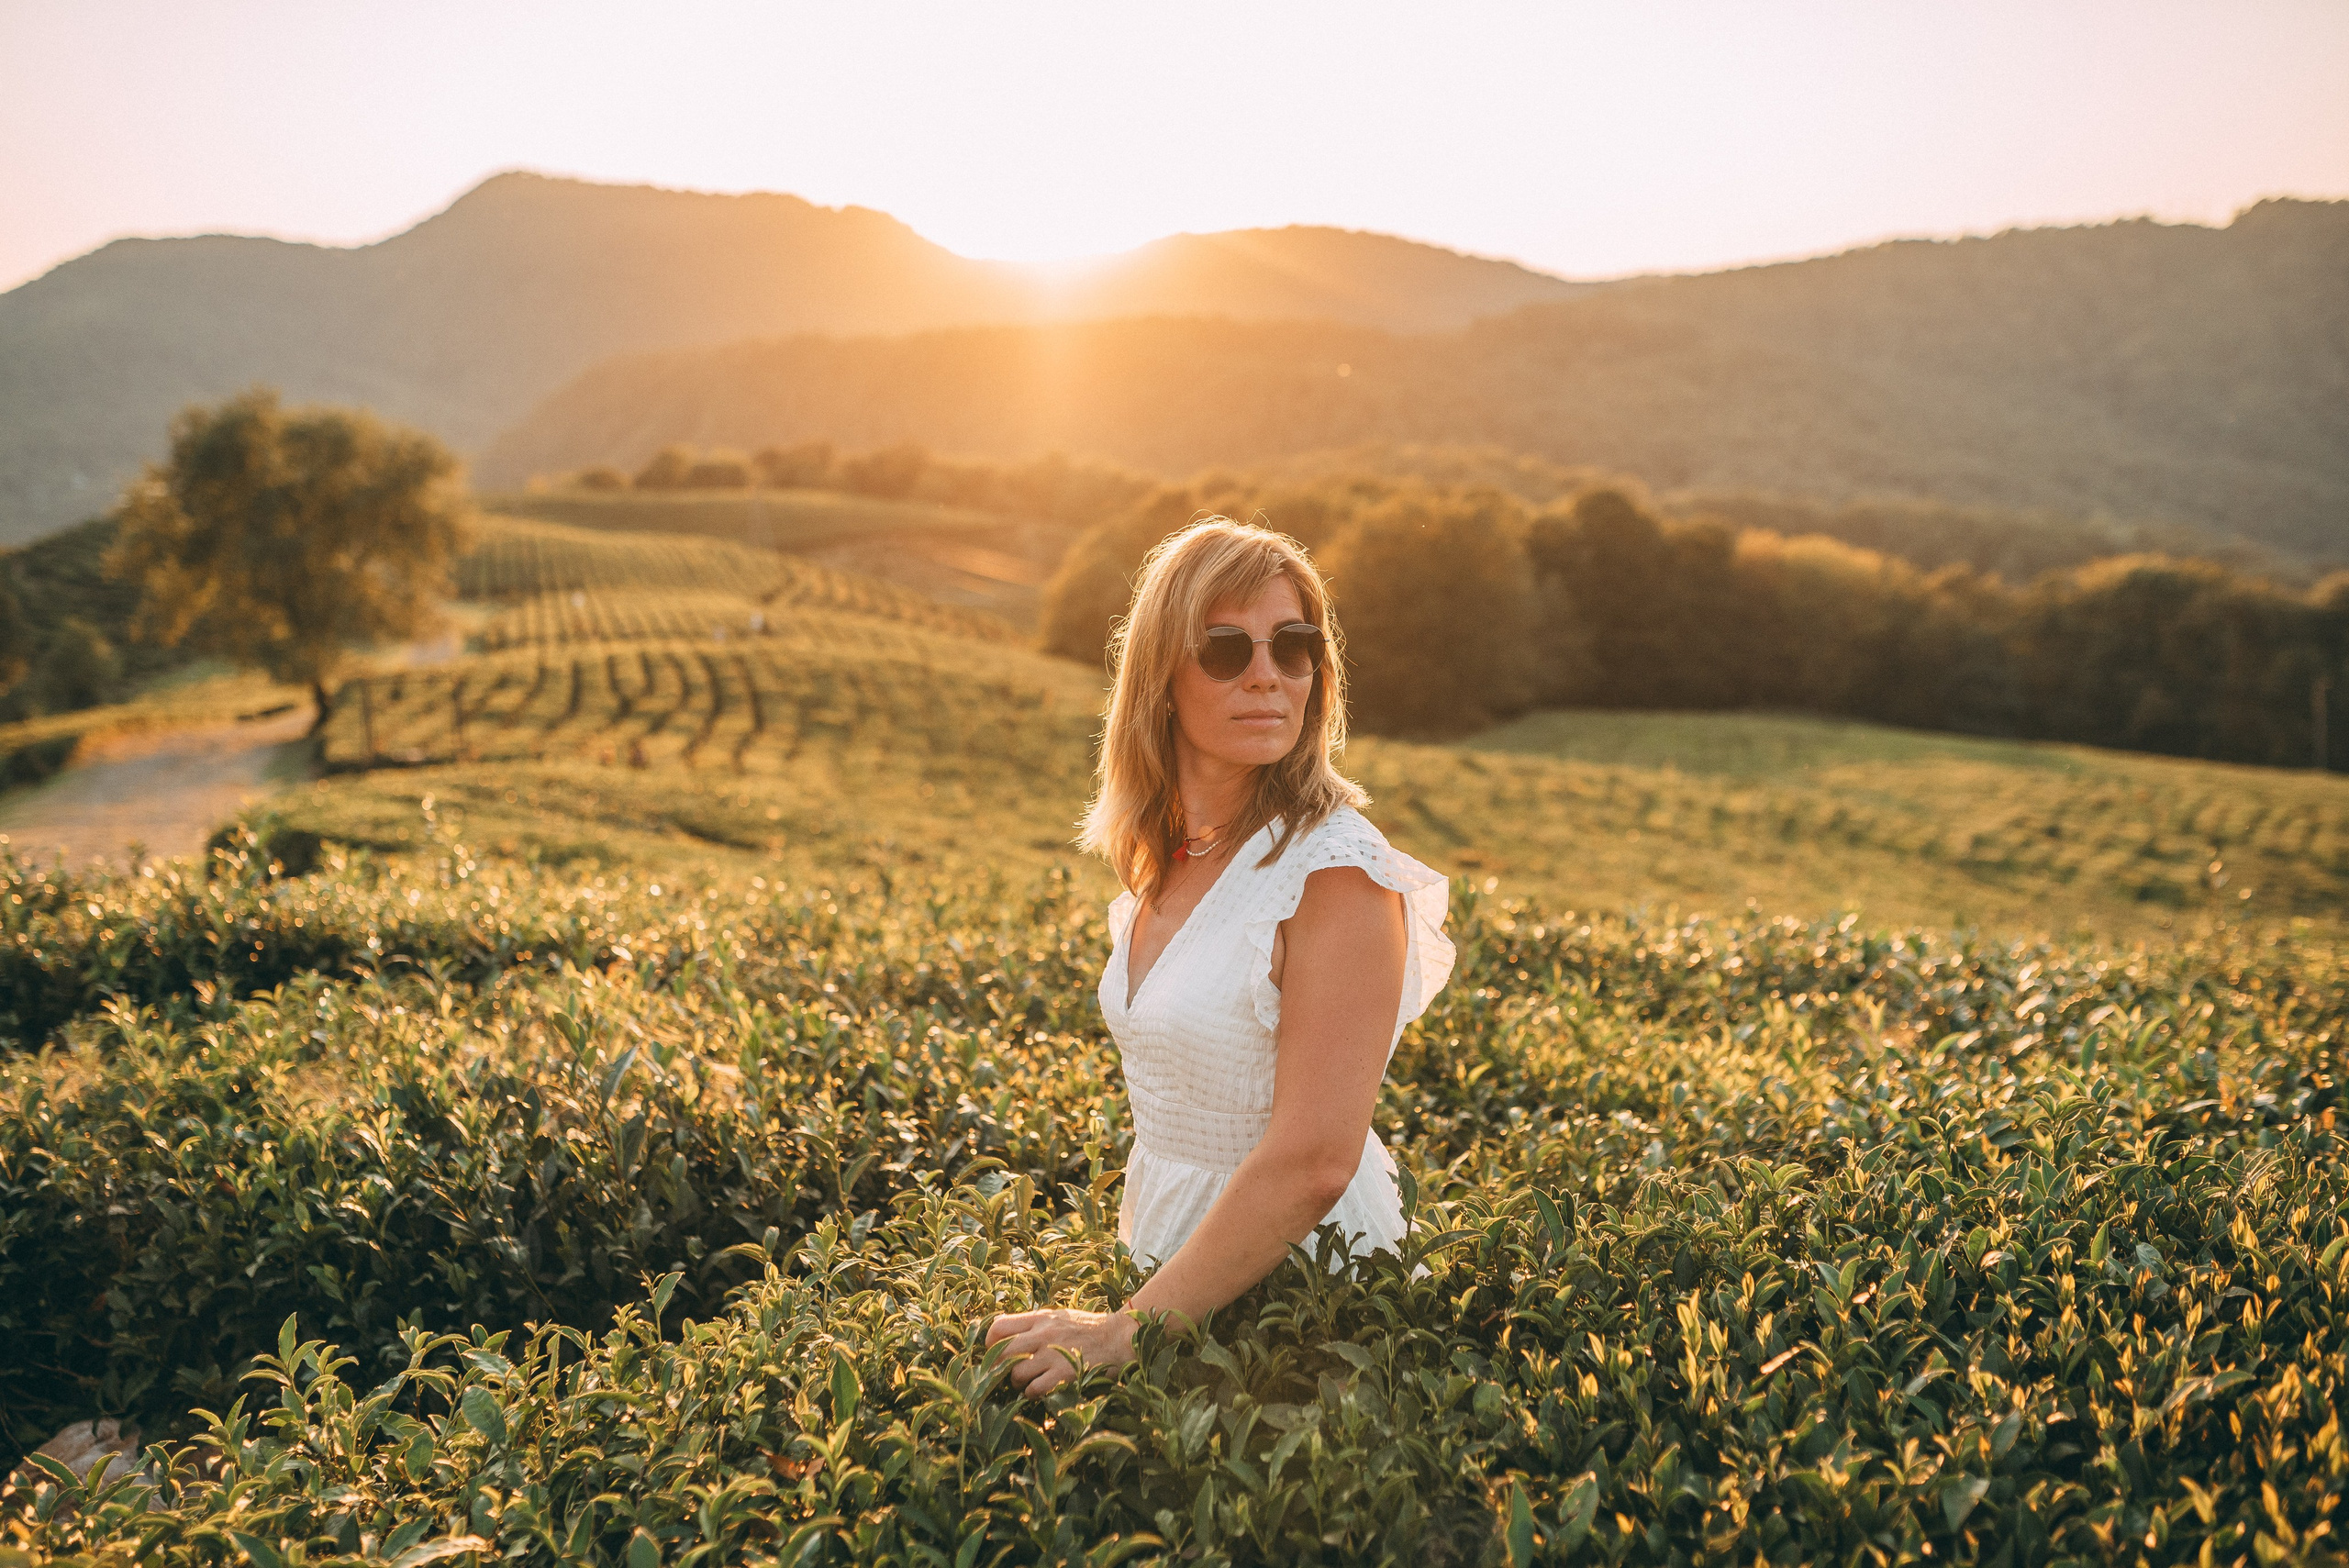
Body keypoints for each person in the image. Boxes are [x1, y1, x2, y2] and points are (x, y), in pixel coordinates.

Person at [985, 517, 1455, 1396]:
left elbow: (1317, 1157)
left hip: (1311, 1304)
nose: (1267, 674)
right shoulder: (1171, 856)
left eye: (1294, 645)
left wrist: (1131, 1329)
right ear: (1160, 677)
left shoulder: (1336, 871)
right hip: (1181, 1275)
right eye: (1225, 649)